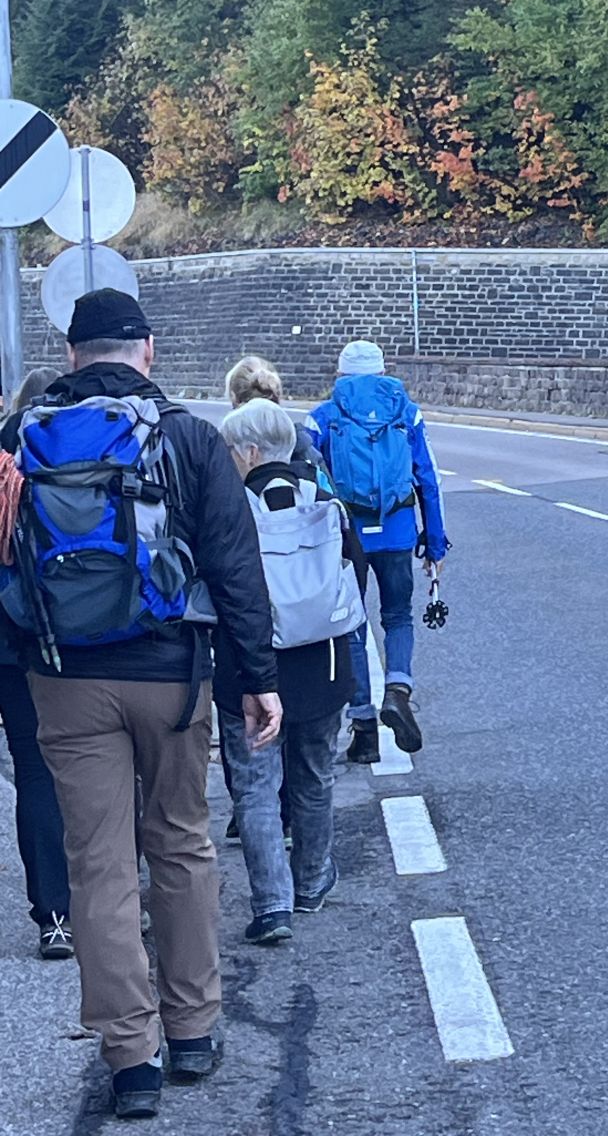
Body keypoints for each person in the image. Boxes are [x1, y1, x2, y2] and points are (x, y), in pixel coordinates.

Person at [0, 290, 281, 1121]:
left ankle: (131, 1058)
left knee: (99, 865)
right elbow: (235, 567)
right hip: (172, 679)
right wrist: (256, 677)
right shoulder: (190, 438)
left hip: (62, 678)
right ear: (147, 352)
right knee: (182, 845)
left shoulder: (18, 440)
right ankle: (193, 1028)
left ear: (72, 353)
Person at [216, 399, 356, 945]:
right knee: (314, 777)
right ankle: (313, 881)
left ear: (250, 452)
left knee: (255, 787)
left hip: (251, 669)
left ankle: (272, 905)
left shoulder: (229, 508)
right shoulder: (324, 497)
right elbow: (354, 573)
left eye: (231, 450)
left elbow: (215, 592)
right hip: (322, 663)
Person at [306, 341, 449, 763]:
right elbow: (427, 477)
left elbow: (312, 482)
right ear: (383, 370)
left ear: (342, 374)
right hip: (398, 532)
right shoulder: (407, 412)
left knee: (351, 624)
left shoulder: (323, 417)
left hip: (349, 537)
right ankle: (399, 689)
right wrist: (434, 541)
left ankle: (364, 729)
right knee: (399, 616)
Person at [0, 366, 72, 960]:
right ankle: (71, 909)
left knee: (32, 771)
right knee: (53, 769)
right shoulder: (66, 459)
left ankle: (54, 914)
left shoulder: (4, 452)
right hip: (44, 638)